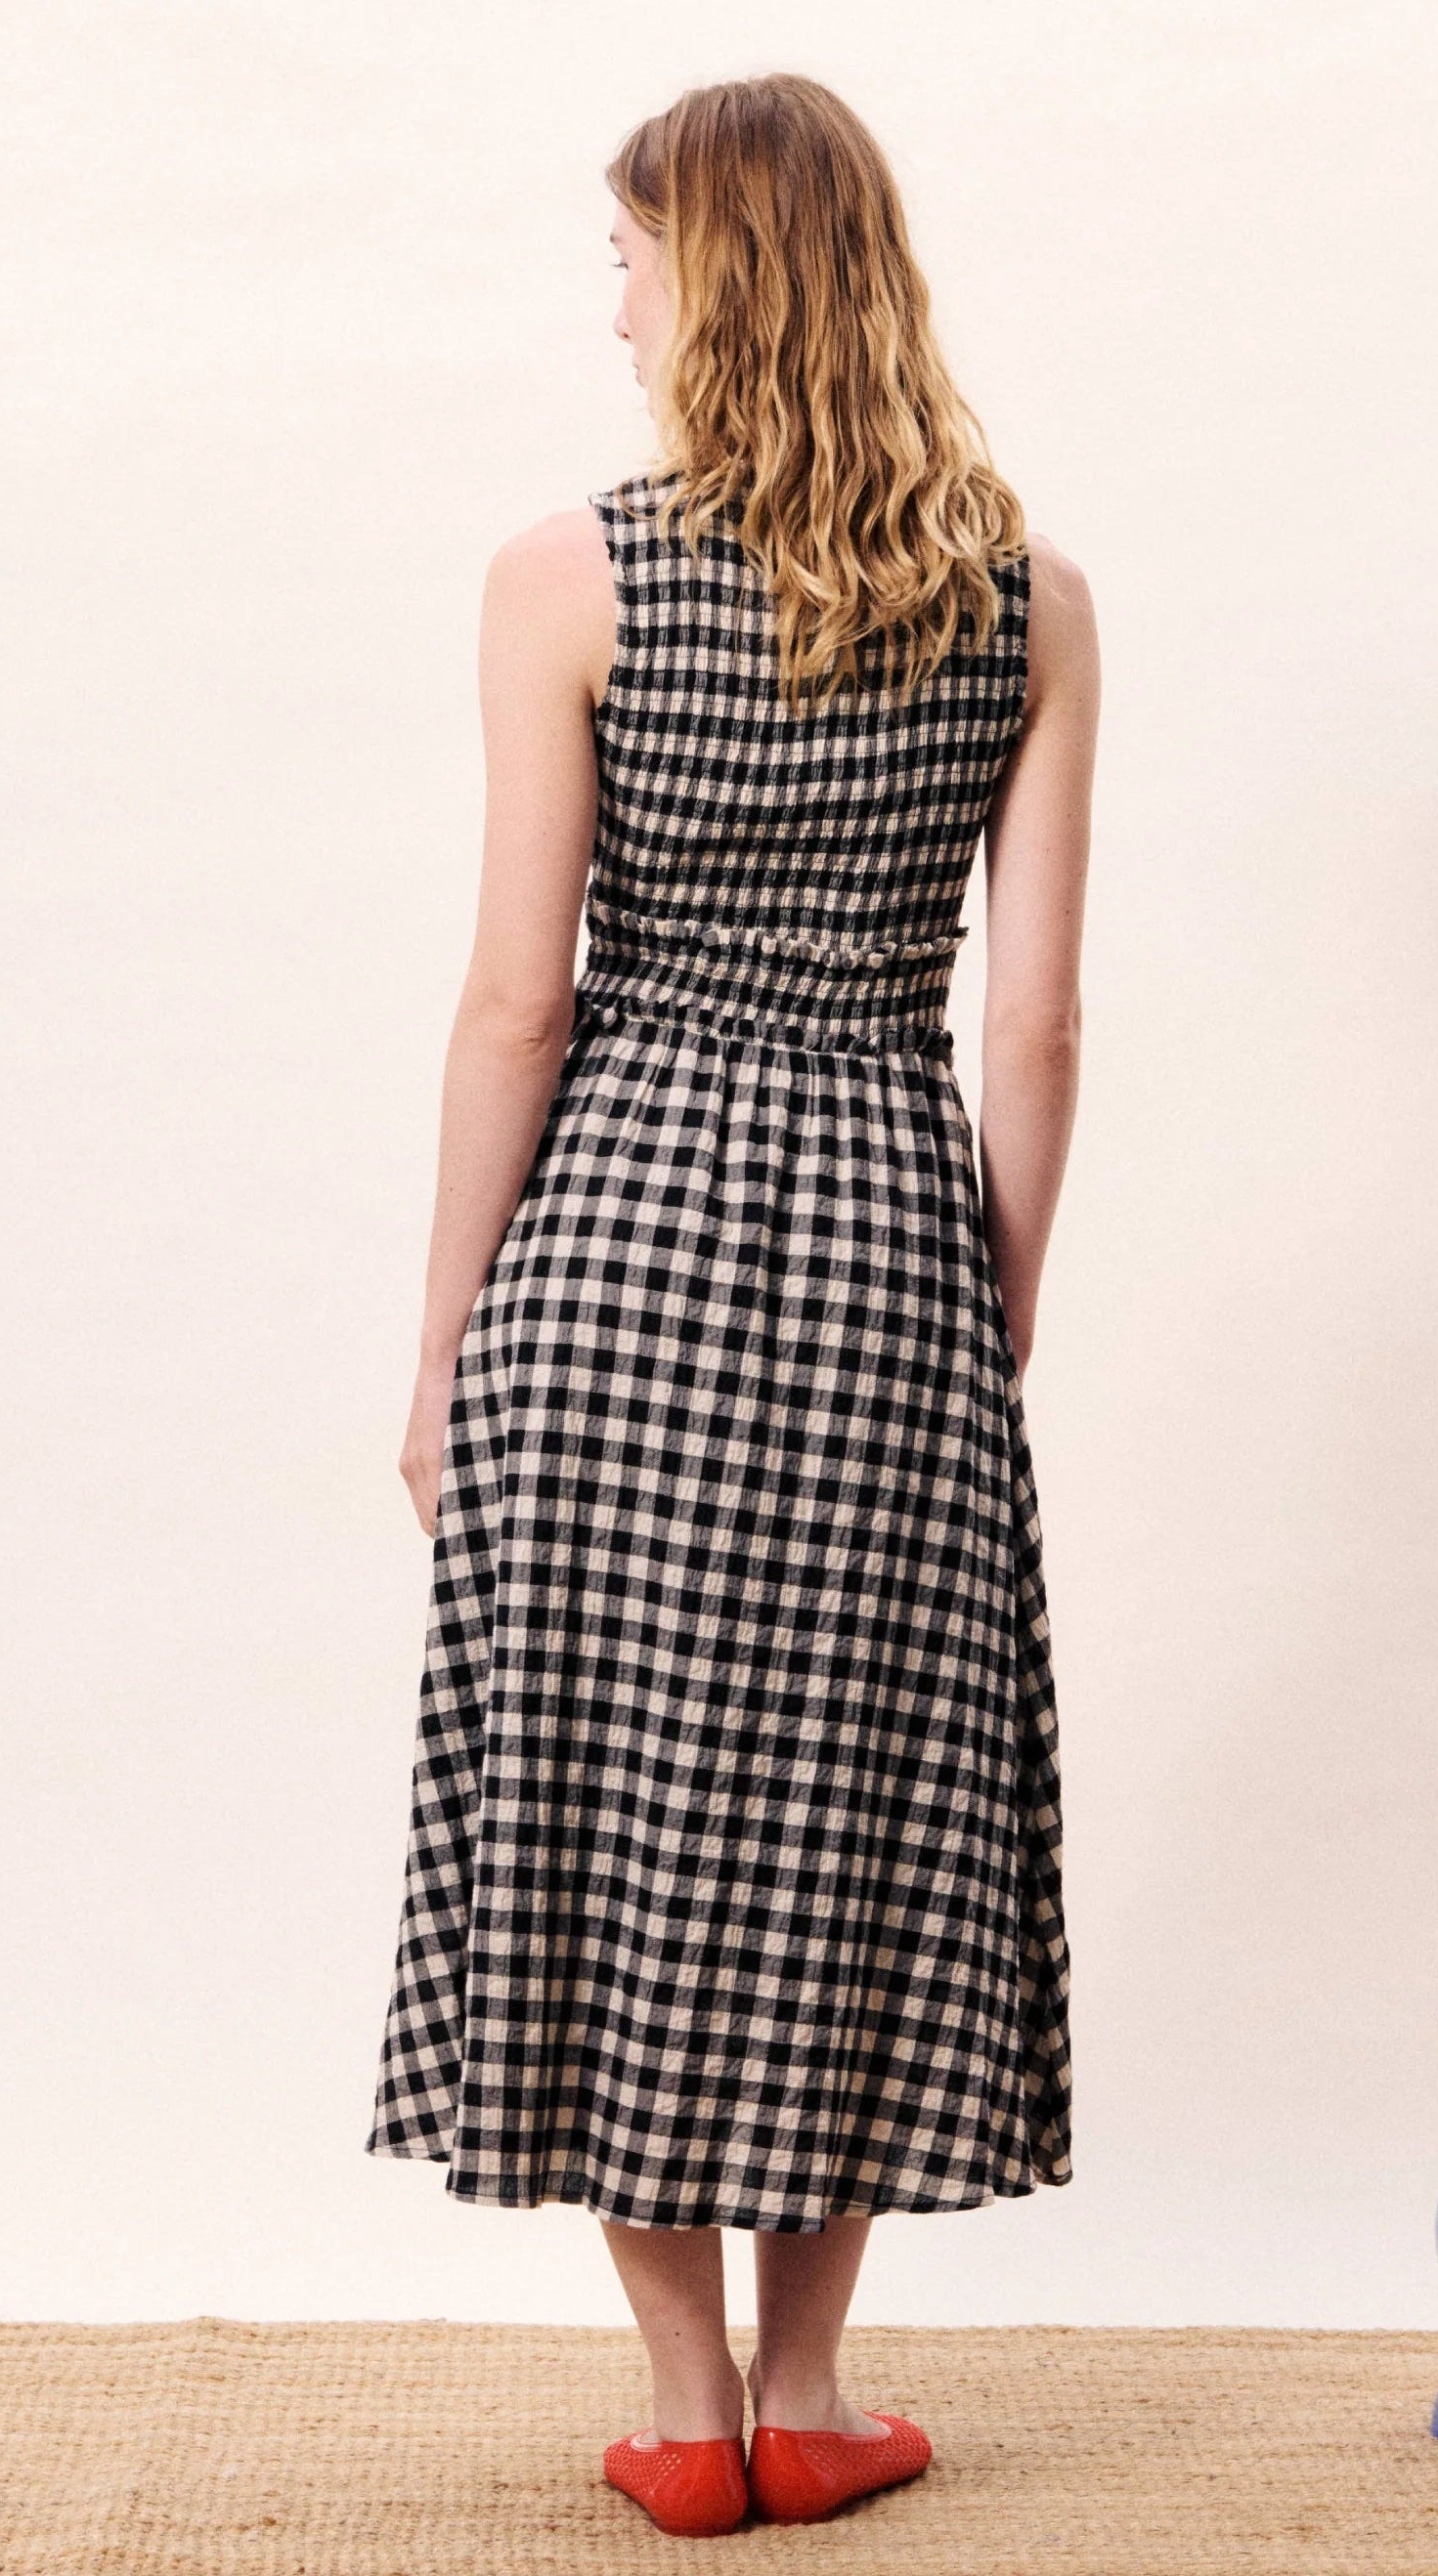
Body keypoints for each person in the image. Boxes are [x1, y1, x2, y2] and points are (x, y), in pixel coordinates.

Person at [366, 72, 1098, 2539]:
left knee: (621, 1790)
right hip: (892, 1232)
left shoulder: (564, 579)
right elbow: (1035, 1025)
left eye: (632, 251)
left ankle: (685, 2415)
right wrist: (975, 1324)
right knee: (858, 1808)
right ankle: (815, 2387)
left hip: (620, 1243)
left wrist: (453, 1333)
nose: (614, 296)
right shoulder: (1027, 595)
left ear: (719, 272)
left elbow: (516, 1004)